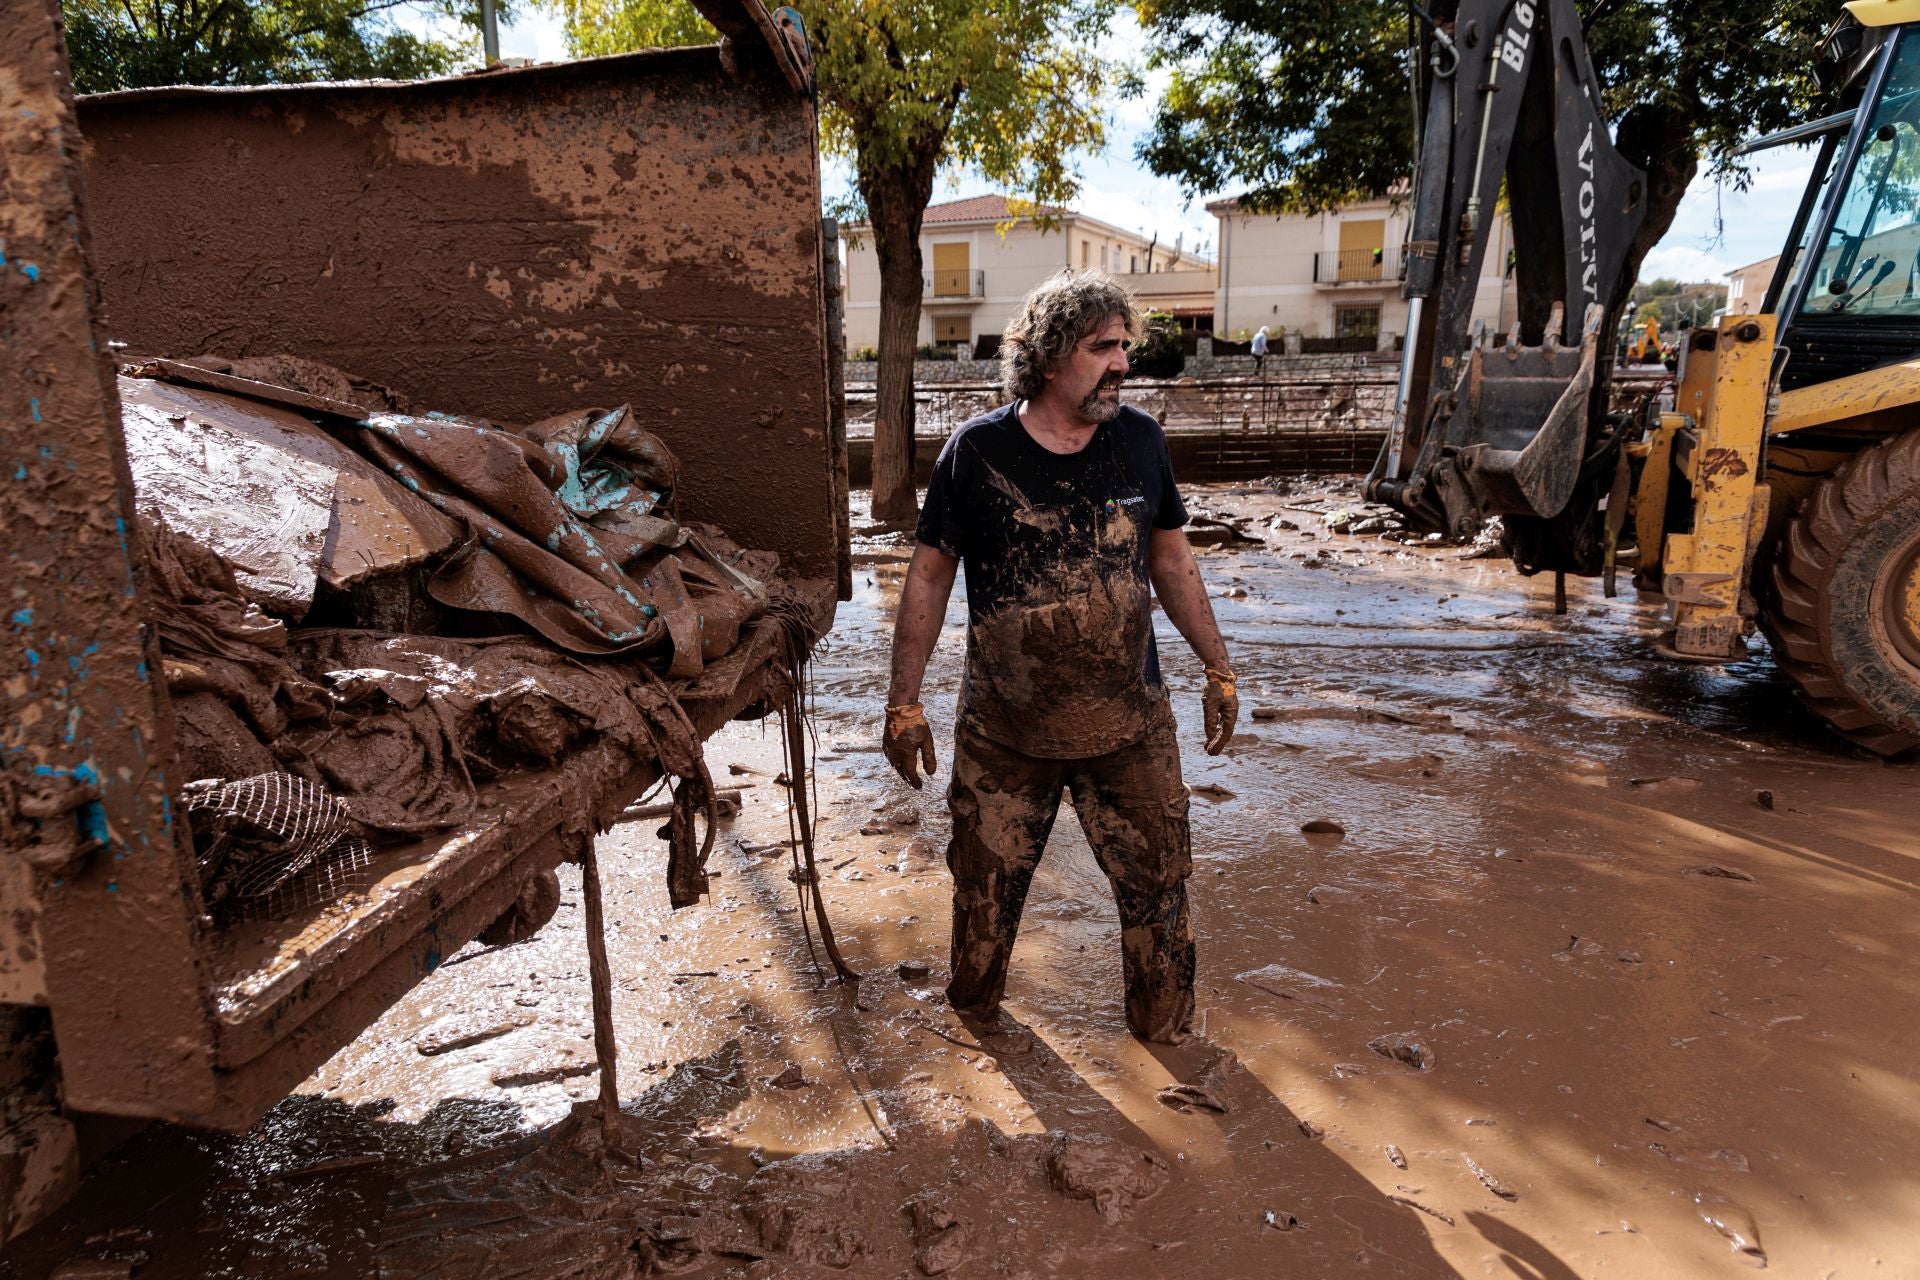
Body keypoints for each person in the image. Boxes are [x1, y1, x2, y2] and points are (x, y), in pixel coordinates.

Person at [881, 269, 1237, 1045]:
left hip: (1130, 733)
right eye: (1101, 347)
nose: (1122, 363)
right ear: (1046, 358)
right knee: (982, 905)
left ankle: (1166, 1045)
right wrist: (902, 704)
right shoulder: (976, 453)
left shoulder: (1141, 441)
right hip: (1006, 736)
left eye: (1124, 346)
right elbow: (929, 576)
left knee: (1161, 900)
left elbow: (1172, 563)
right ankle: (977, 1040)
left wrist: (1219, 666)